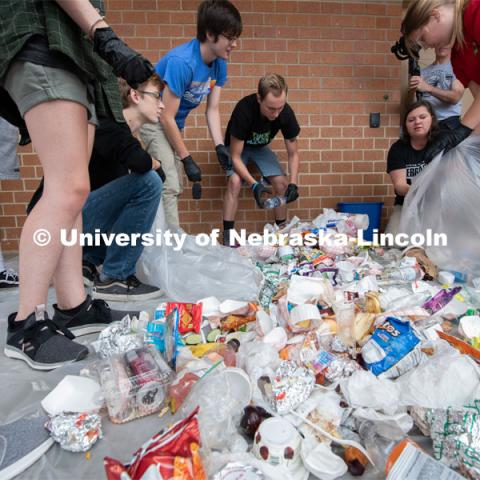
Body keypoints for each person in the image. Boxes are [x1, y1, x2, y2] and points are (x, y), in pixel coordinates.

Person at [0, 0, 153, 370]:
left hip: (74, 52)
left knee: (75, 187)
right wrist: (104, 34)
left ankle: (73, 308)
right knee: (66, 186)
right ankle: (26, 325)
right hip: (44, 38)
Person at [140, 0, 242, 226]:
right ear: (210, 34)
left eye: (236, 38)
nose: (235, 44)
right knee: (169, 183)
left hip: (174, 122)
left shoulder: (219, 63)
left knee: (177, 185)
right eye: (230, 38)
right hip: (153, 118)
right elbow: (164, 116)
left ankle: (167, 239)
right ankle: (169, 246)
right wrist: (187, 158)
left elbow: (212, 109)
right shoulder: (183, 62)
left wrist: (219, 146)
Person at [82, 75, 165, 301]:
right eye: (157, 97)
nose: (162, 104)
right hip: (63, 223)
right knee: (149, 182)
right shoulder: (108, 126)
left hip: (77, 224)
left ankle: (87, 263)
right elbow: (142, 162)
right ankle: (114, 277)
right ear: (135, 96)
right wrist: (156, 164)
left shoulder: (121, 135)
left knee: (131, 189)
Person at [222, 73, 300, 246]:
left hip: (260, 148)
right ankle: (227, 237)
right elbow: (235, 156)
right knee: (234, 181)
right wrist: (254, 184)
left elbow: (293, 153)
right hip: (237, 148)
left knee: (282, 183)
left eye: (280, 107)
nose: (276, 113)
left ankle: (281, 233)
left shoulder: (285, 112)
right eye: (271, 108)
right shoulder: (244, 110)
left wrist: (294, 183)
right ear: (259, 98)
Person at [401, 0, 480, 162]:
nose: (428, 46)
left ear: (435, 15)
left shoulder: (476, 11)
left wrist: (462, 130)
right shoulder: (458, 57)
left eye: (423, 37)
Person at [385, 100, 440, 235]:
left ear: (431, 119)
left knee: (438, 243)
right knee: (394, 242)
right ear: (405, 125)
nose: (417, 122)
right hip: (406, 205)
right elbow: (399, 186)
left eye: (422, 117)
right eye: (411, 119)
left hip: (437, 206)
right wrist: (421, 193)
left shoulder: (441, 144)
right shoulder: (398, 148)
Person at [409, 44, 464, 129]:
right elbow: (411, 104)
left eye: (446, 42)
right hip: (427, 125)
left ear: (452, 44)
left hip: (448, 123)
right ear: (434, 45)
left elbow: (455, 97)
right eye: (439, 42)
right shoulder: (423, 72)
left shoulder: (457, 68)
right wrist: (412, 91)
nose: (442, 45)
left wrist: (428, 88)